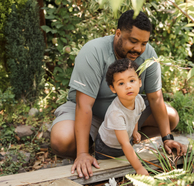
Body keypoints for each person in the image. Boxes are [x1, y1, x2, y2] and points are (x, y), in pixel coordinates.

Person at [50, 9, 187, 179]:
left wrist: (167, 138)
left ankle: (119, 141)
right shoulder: (94, 51)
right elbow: (83, 105)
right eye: (133, 41)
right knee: (61, 139)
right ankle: (92, 148)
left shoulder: (149, 55)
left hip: (127, 109)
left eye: (144, 43)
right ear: (118, 33)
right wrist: (83, 153)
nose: (139, 49)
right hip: (92, 113)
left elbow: (155, 98)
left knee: (171, 117)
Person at [95, 58, 148, 175]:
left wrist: (134, 131)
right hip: (106, 146)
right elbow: (125, 144)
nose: (128, 86)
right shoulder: (116, 113)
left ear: (139, 82)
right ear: (113, 88)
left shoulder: (139, 100)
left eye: (132, 80)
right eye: (121, 83)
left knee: (124, 163)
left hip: (122, 143)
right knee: (105, 173)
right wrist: (139, 169)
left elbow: (136, 116)